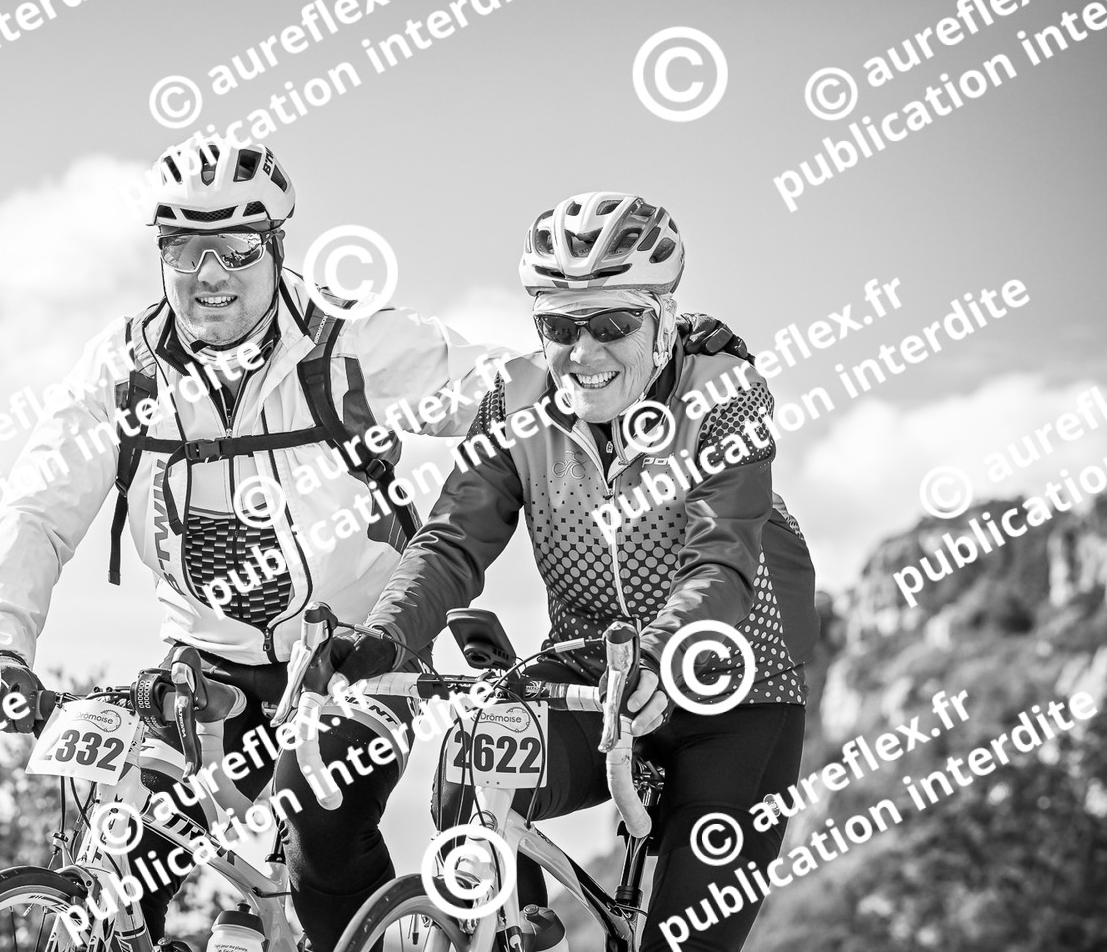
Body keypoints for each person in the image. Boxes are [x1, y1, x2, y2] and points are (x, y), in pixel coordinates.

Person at [0, 154, 748, 949]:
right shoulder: (121, 374)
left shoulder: (348, 345)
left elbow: (510, 388)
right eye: (184, 249)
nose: (211, 274)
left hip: (357, 655)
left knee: (319, 817)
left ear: (276, 244)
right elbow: (36, 509)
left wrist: (669, 357)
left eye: (236, 249)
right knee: (127, 843)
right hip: (205, 666)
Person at [330, 192, 819, 952]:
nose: (583, 353)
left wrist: (657, 654)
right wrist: (382, 639)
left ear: (662, 318)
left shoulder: (724, 394)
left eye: (612, 325)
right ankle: (518, 934)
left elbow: (721, 558)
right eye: (559, 328)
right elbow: (453, 539)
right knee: (471, 765)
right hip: (592, 670)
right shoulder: (514, 398)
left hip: (735, 686)